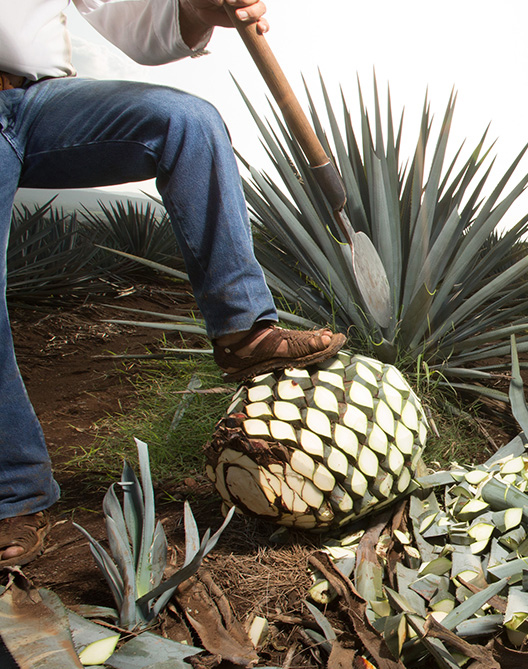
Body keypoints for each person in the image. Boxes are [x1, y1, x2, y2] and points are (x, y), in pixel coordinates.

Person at [0, 0, 346, 567]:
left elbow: (121, 14)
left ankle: (243, 329)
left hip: (37, 100)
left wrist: (196, 8)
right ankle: (12, 490)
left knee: (187, 122)